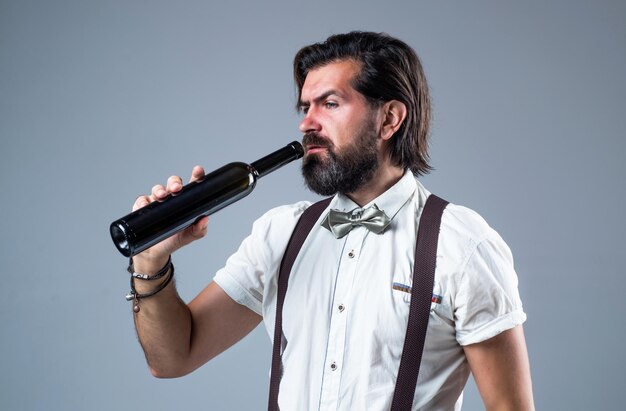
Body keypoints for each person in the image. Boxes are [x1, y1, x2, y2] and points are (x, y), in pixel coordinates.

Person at [128, 31, 535, 410]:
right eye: (306, 107)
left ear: (390, 119)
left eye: (330, 104)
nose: (307, 123)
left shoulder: (462, 246)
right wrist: (151, 259)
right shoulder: (280, 235)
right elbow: (173, 357)